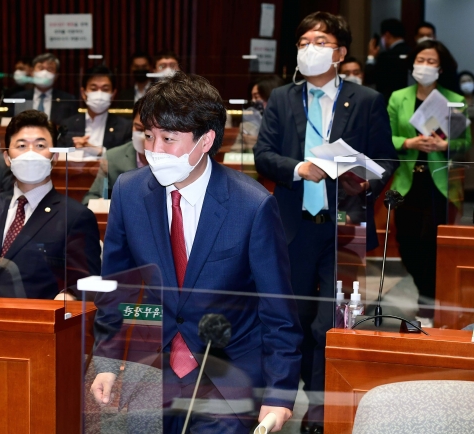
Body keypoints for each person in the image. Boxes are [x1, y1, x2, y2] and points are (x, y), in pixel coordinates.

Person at [91, 71, 303, 433]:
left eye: (169, 139)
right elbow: (117, 288)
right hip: (154, 368)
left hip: (227, 372)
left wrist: (279, 394)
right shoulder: (129, 192)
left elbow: (277, 309)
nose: (154, 150)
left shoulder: (252, 206)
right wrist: (107, 363)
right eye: (148, 135)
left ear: (205, 140)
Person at [255, 12, 398, 433]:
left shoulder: (367, 99)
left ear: (339, 52)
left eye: (319, 41)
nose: (309, 48)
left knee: (332, 322)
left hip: (344, 226)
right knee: (293, 317)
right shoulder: (282, 97)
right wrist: (299, 168)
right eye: (303, 42)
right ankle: (293, 390)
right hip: (293, 224)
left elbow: (386, 160)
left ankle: (320, 409)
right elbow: (264, 155)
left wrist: (360, 179)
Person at [0, 109, 101, 298]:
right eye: (21, 146)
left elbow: (88, 282)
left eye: (40, 145)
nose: (30, 154)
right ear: (7, 158)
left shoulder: (75, 216)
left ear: (54, 157)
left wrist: (68, 296)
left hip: (33, 320)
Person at [387, 40, 471, 327]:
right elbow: (385, 137)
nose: (425, 65)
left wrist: (443, 144)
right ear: (413, 63)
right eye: (420, 59)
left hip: (441, 184)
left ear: (441, 67)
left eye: (431, 61)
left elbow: (464, 142)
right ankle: (427, 295)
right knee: (407, 243)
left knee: (436, 245)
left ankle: (429, 301)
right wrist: (409, 141)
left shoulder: (454, 99)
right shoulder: (398, 98)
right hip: (409, 180)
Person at [82, 99, 147, 204]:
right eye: (138, 129)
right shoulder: (112, 158)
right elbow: (90, 199)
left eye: (149, 132)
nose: (143, 136)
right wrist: (102, 204)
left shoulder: (176, 158)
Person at [58, 65, 132, 156]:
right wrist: (74, 147)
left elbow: (126, 157)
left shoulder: (125, 127)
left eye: (105, 89)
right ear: (83, 93)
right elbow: (57, 155)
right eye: (93, 89)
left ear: (113, 94)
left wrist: (100, 151)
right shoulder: (68, 125)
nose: (99, 94)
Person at [9, 53, 78, 124]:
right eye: (41, 68)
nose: (44, 73)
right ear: (32, 72)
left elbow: (71, 127)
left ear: (56, 76)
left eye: (50, 69)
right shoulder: (19, 98)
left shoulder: (68, 100)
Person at [232, 75, 285, 152]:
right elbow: (234, 153)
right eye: (252, 97)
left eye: (256, 97)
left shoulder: (289, 122)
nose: (253, 101)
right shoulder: (247, 125)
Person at [366, 18, 410, 101]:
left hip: (389, 101)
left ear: (387, 35)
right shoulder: (412, 52)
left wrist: (371, 57)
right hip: (408, 99)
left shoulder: (385, 57)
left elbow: (369, 78)